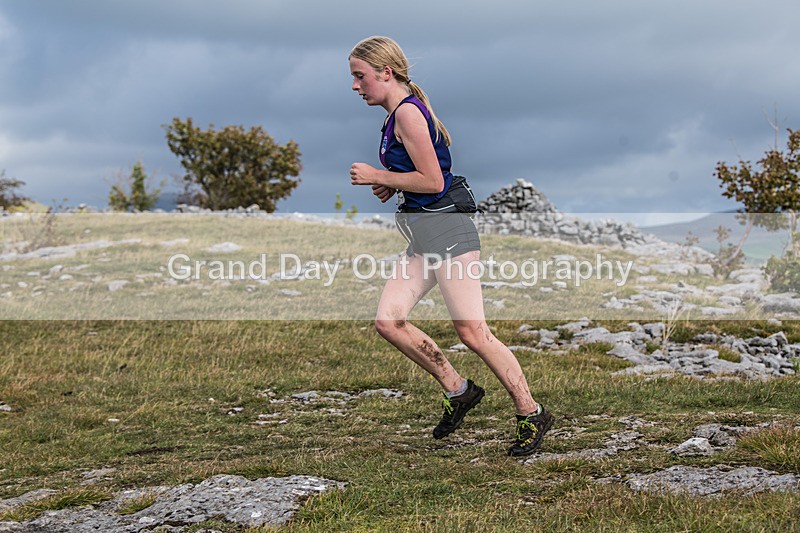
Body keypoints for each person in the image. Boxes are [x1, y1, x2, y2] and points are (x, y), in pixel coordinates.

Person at [348, 36, 553, 456]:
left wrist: (378, 176)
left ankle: (531, 413)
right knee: (389, 321)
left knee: (474, 333)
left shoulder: (406, 114)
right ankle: (458, 390)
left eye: (360, 76)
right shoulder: (395, 115)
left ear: (386, 73)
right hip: (425, 235)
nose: (355, 86)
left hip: (450, 233)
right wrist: (391, 185)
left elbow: (435, 183)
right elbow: (424, 174)